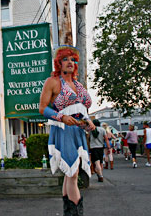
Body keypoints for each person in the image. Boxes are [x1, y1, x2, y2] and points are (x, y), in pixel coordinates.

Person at [39, 45, 95, 216]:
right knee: (73, 172)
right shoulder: (53, 82)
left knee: (71, 173)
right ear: (59, 63)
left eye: (73, 60)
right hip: (63, 129)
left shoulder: (78, 84)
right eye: (65, 59)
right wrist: (61, 117)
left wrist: (88, 121)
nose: (70, 62)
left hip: (77, 131)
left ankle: (69, 213)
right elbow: (42, 108)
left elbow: (81, 109)